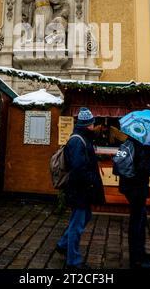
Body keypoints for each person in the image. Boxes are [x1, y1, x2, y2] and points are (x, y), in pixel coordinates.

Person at [56, 107, 105, 269]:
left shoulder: (82, 138)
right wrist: (91, 181)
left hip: (81, 189)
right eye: (92, 124)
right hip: (80, 190)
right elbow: (78, 167)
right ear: (87, 125)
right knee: (77, 223)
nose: (94, 126)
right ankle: (73, 262)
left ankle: (63, 244)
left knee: (83, 217)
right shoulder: (78, 140)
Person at [118, 138, 150, 269]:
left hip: (128, 187)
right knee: (137, 223)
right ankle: (137, 258)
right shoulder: (142, 146)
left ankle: (140, 254)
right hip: (137, 189)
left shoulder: (128, 141)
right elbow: (143, 169)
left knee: (139, 219)